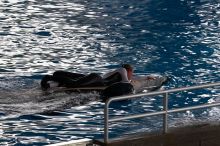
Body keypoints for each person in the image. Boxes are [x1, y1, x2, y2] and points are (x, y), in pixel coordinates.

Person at [40, 64, 134, 91]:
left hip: (96, 79)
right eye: (132, 73)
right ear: (128, 70)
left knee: (72, 78)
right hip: (97, 79)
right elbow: (126, 82)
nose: (132, 75)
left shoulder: (120, 73)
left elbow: (129, 79)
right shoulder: (123, 70)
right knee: (74, 84)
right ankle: (48, 77)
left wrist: (146, 78)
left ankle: (57, 76)